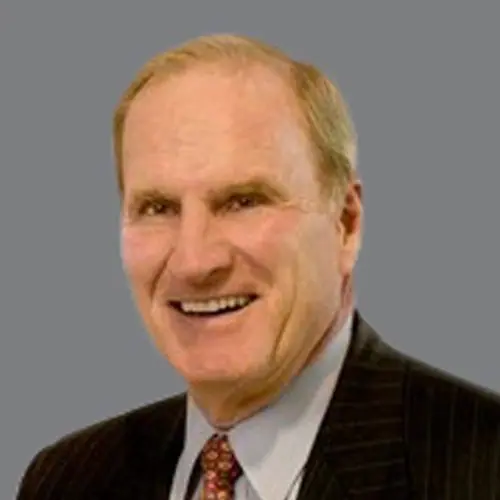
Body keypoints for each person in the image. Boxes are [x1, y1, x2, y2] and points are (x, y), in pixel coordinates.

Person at [17, 33, 500, 500]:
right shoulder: (67, 480)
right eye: (158, 208)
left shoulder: (482, 468)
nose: (194, 261)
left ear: (345, 223)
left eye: (243, 201)